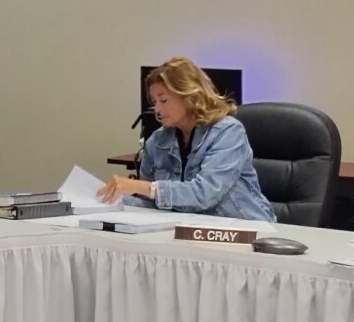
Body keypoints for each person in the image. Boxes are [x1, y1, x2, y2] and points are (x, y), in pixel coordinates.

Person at [97, 56, 275, 222]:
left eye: (163, 100)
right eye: (154, 102)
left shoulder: (228, 132)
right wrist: (112, 202)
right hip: (187, 229)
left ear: (190, 97)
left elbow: (205, 194)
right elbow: (152, 203)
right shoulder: (157, 141)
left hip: (244, 229)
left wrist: (141, 187)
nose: (157, 110)